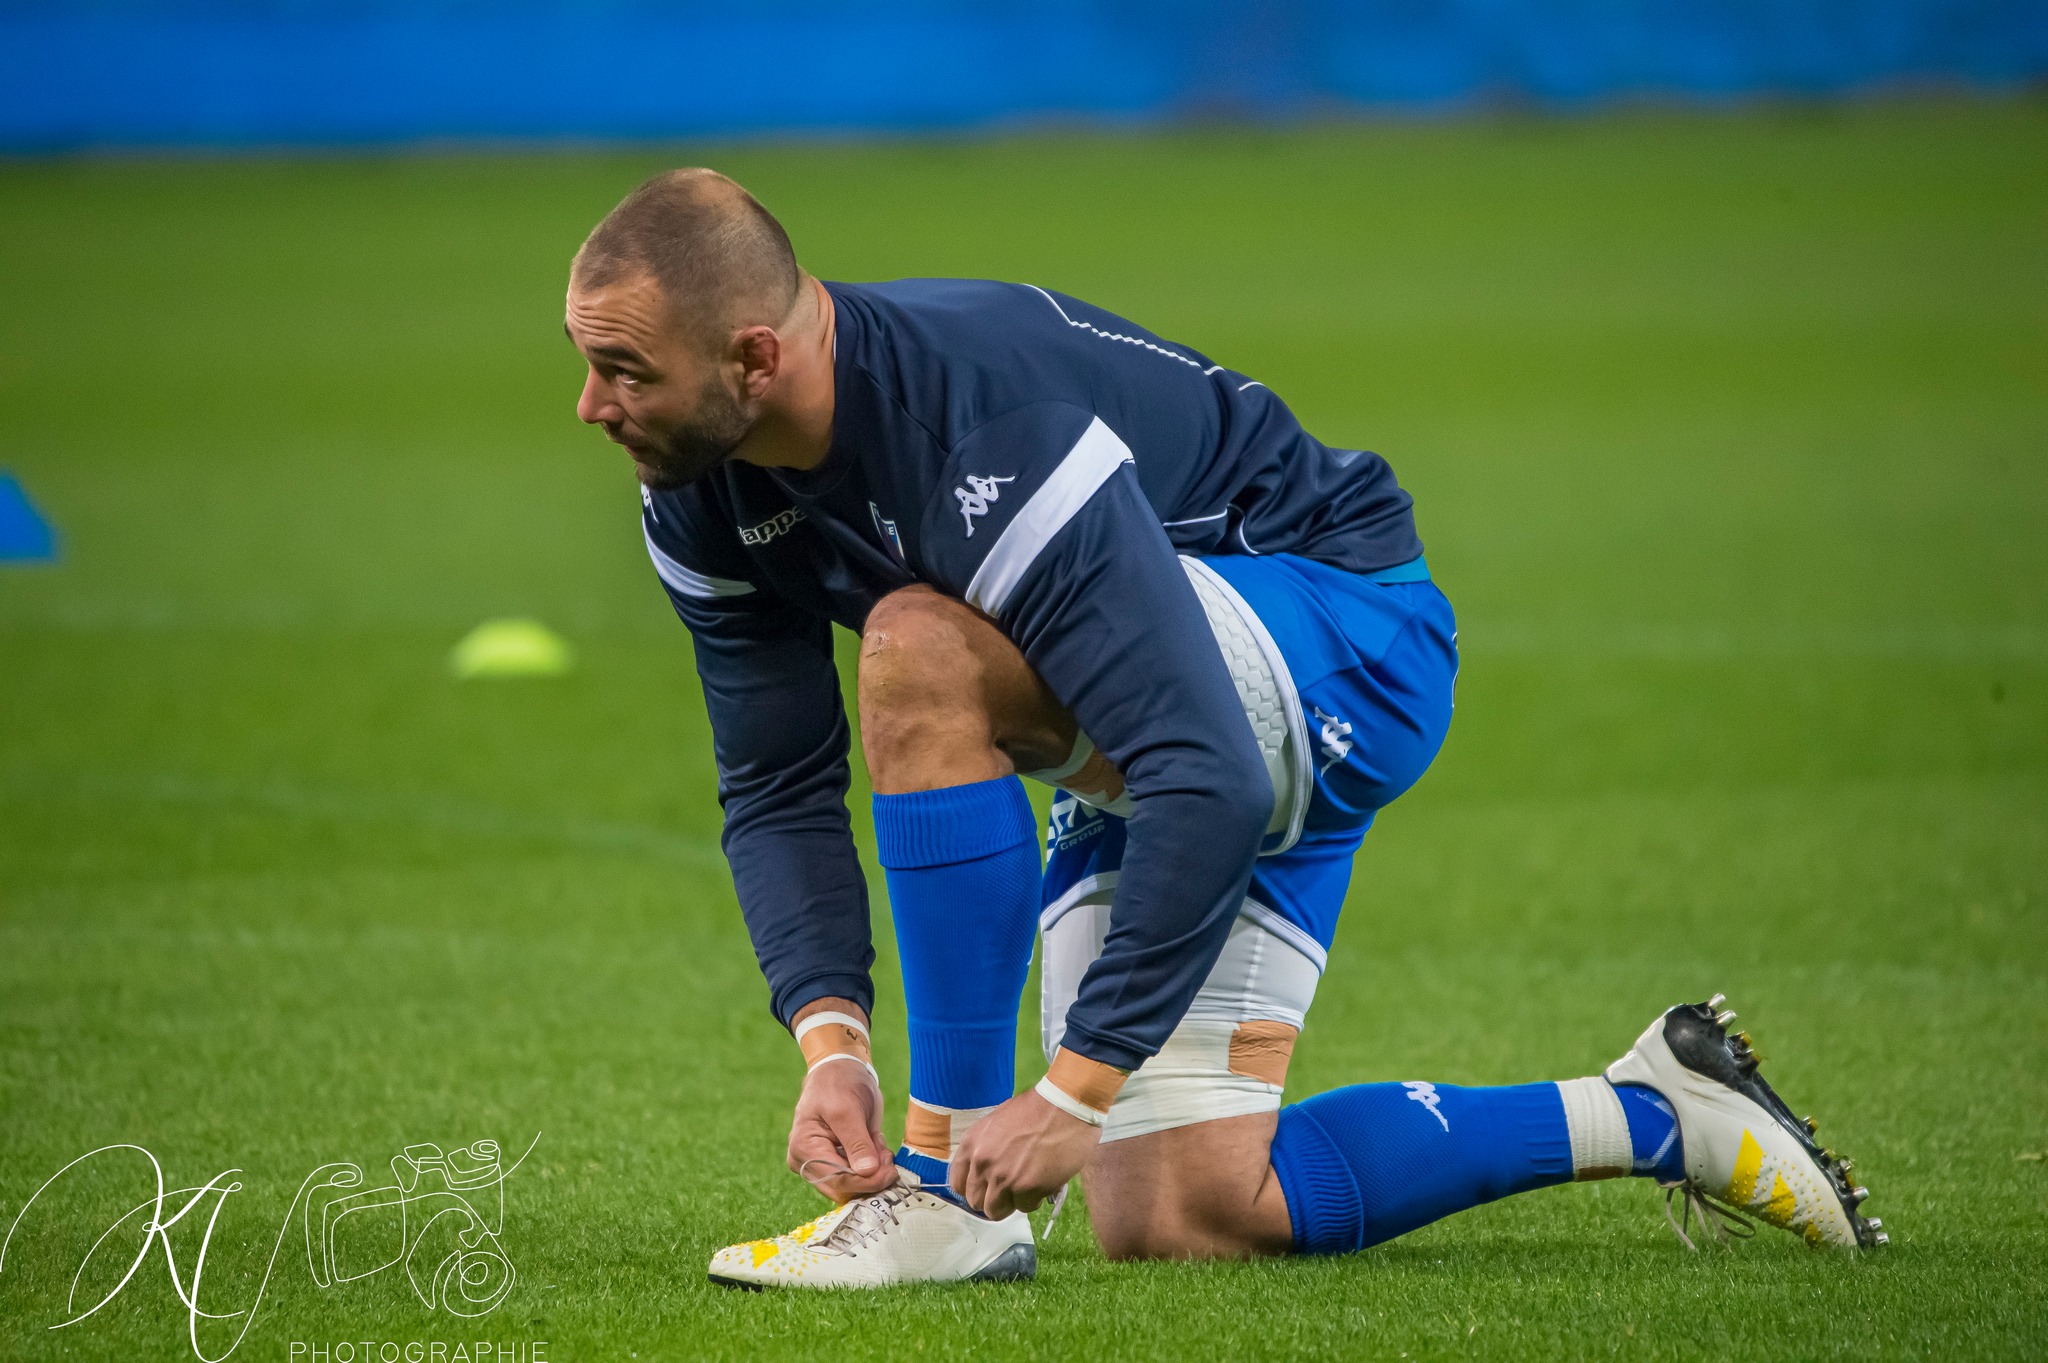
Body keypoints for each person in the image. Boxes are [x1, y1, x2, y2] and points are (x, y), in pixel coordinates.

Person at [562, 169, 1883, 1288]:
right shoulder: (700, 494)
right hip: (1166, 706)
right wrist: (830, 1042)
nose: (592, 405)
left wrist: (1072, 1092)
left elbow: (1209, 771)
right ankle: (1662, 1111)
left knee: (918, 646)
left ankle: (933, 1196)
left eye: (625, 369)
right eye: (585, 363)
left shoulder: (981, 424)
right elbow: (778, 786)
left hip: (1342, 635)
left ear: (753, 357)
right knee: (1182, 1211)